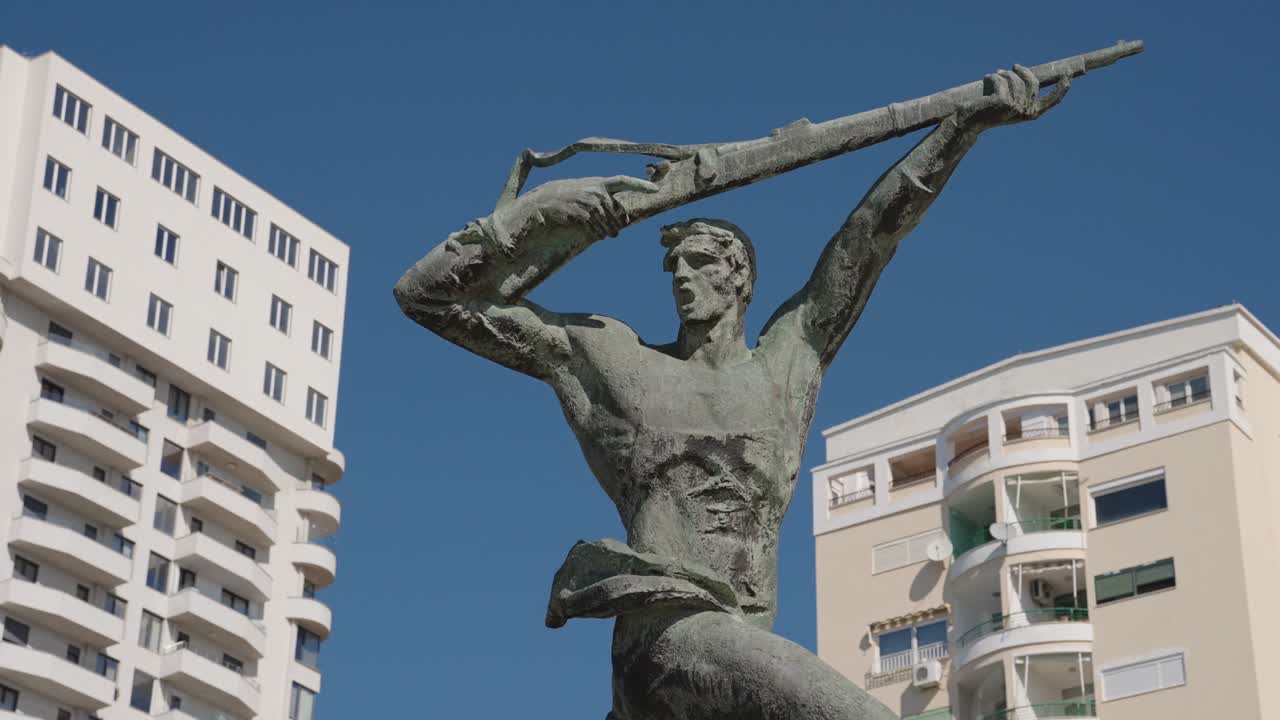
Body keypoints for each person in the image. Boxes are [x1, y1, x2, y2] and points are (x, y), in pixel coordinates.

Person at [395, 66, 1068, 719]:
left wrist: (964, 127)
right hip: (666, 636)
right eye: (673, 267)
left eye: (701, 262)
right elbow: (427, 298)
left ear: (740, 276)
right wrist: (539, 217)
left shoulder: (787, 365)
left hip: (737, 656)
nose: (682, 278)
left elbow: (872, 236)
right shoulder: (613, 361)